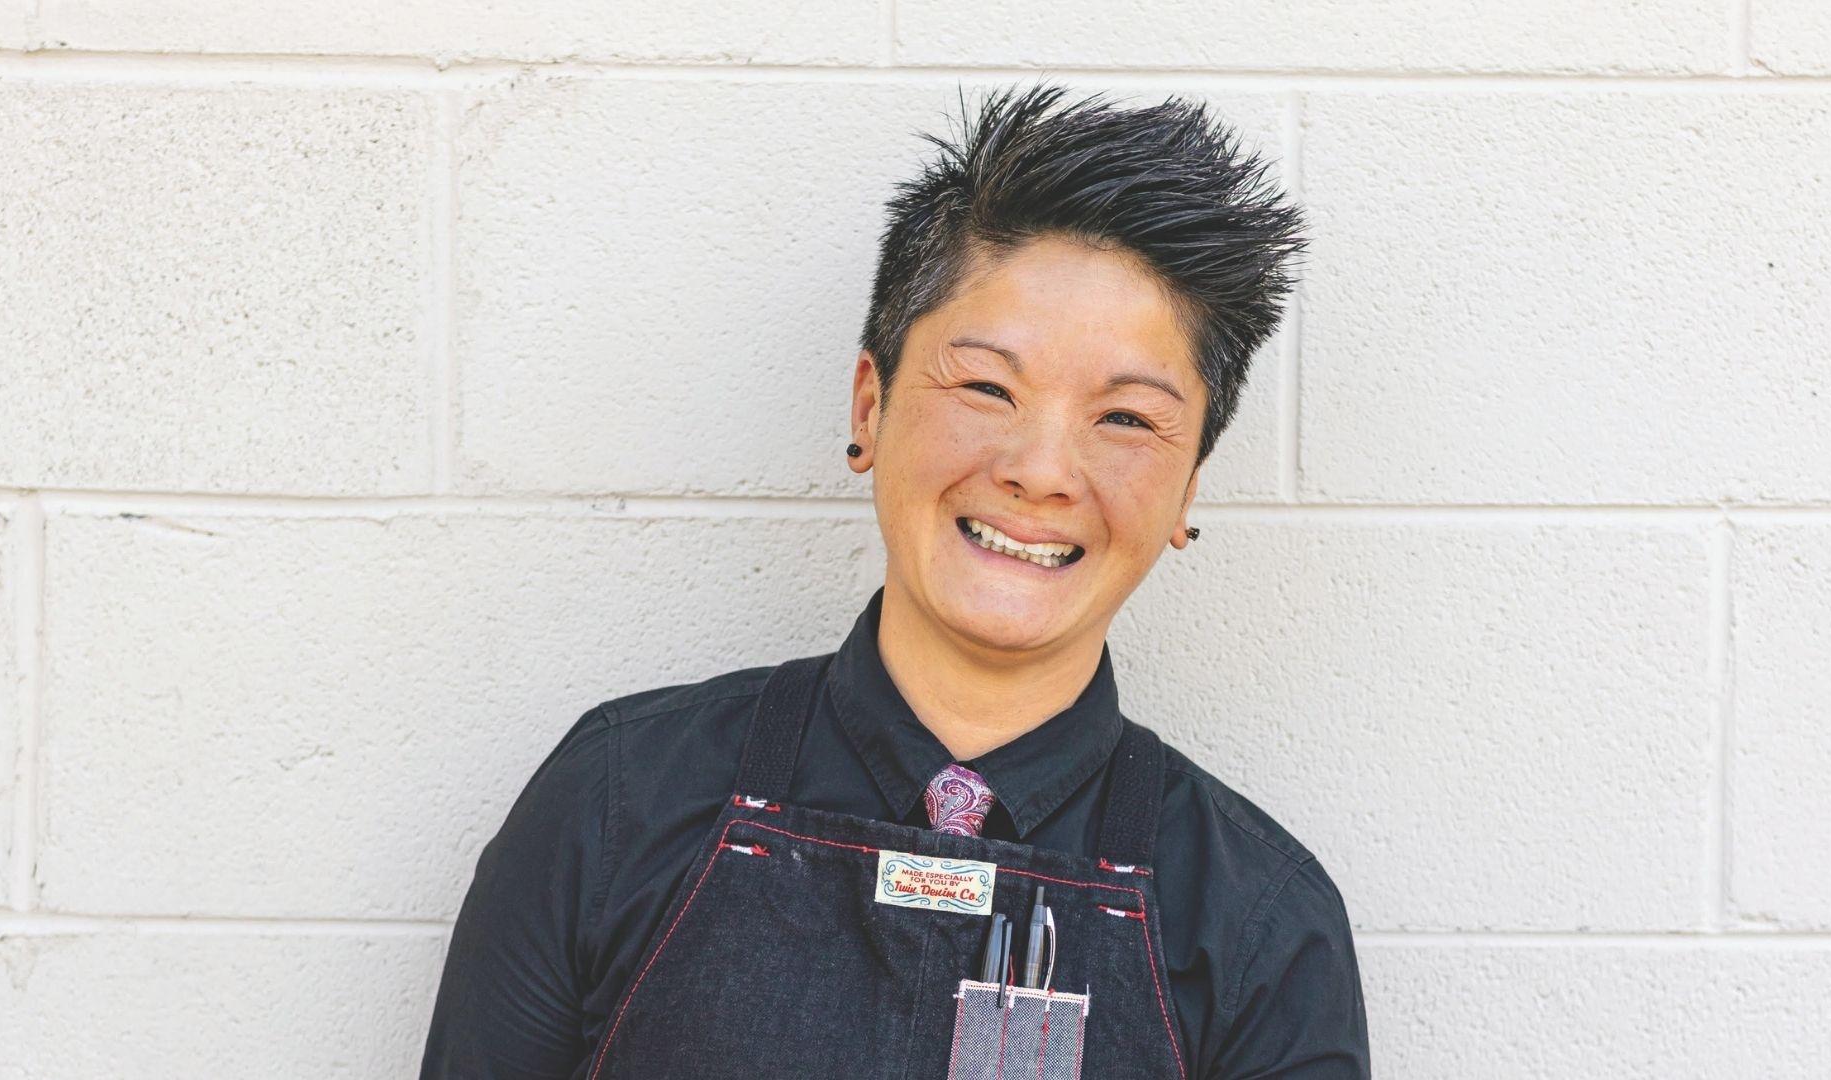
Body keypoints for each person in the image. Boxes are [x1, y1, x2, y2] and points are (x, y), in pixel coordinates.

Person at [421, 80, 1369, 1079]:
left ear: (1187, 490)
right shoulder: (619, 801)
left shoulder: (1260, 926)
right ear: (870, 407)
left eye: (1126, 418)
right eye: (987, 387)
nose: (1040, 472)